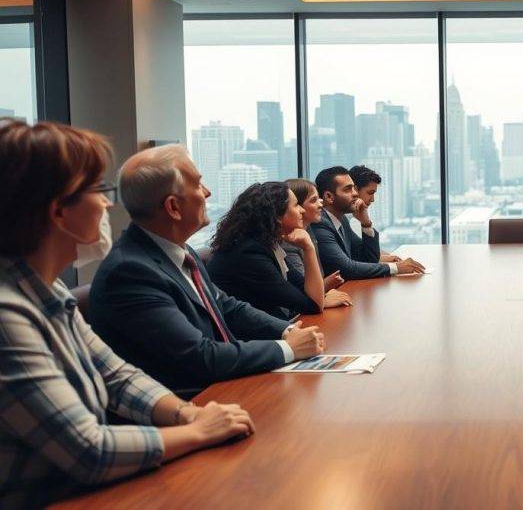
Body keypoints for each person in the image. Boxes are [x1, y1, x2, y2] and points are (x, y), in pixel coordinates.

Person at [0, 121, 253, 507]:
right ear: (57, 212)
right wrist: (199, 432)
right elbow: (89, 450)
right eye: (98, 190)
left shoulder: (47, 288)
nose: (108, 204)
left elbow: (116, 376)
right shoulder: (6, 314)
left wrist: (186, 415)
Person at [88, 145, 325, 397]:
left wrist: (286, 330)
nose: (208, 192)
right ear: (173, 208)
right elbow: (198, 356)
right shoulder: (130, 272)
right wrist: (287, 349)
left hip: (223, 385)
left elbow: (226, 305)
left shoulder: (181, 249)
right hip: (193, 403)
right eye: (199, 185)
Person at [206, 182, 335, 321]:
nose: (301, 210)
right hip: (246, 338)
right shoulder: (250, 253)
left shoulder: (266, 244)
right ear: (277, 216)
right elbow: (312, 305)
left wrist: (318, 299)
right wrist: (308, 248)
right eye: (296, 205)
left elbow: (306, 293)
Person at [309, 166, 425, 280]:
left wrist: (366, 224)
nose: (355, 193)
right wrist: (395, 268)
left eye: (354, 188)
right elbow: (345, 268)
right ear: (329, 196)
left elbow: (368, 258)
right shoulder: (320, 223)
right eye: (348, 189)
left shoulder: (341, 219)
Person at [283, 178, 351, 307]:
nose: (321, 204)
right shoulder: (287, 243)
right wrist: (323, 293)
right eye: (314, 200)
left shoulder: (308, 231)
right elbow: (303, 292)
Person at [349, 165, 421, 266]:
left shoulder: (357, 217)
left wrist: (392, 258)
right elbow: (356, 261)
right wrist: (395, 266)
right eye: (370, 193)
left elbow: (365, 255)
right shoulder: (347, 221)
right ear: (355, 190)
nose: (372, 199)